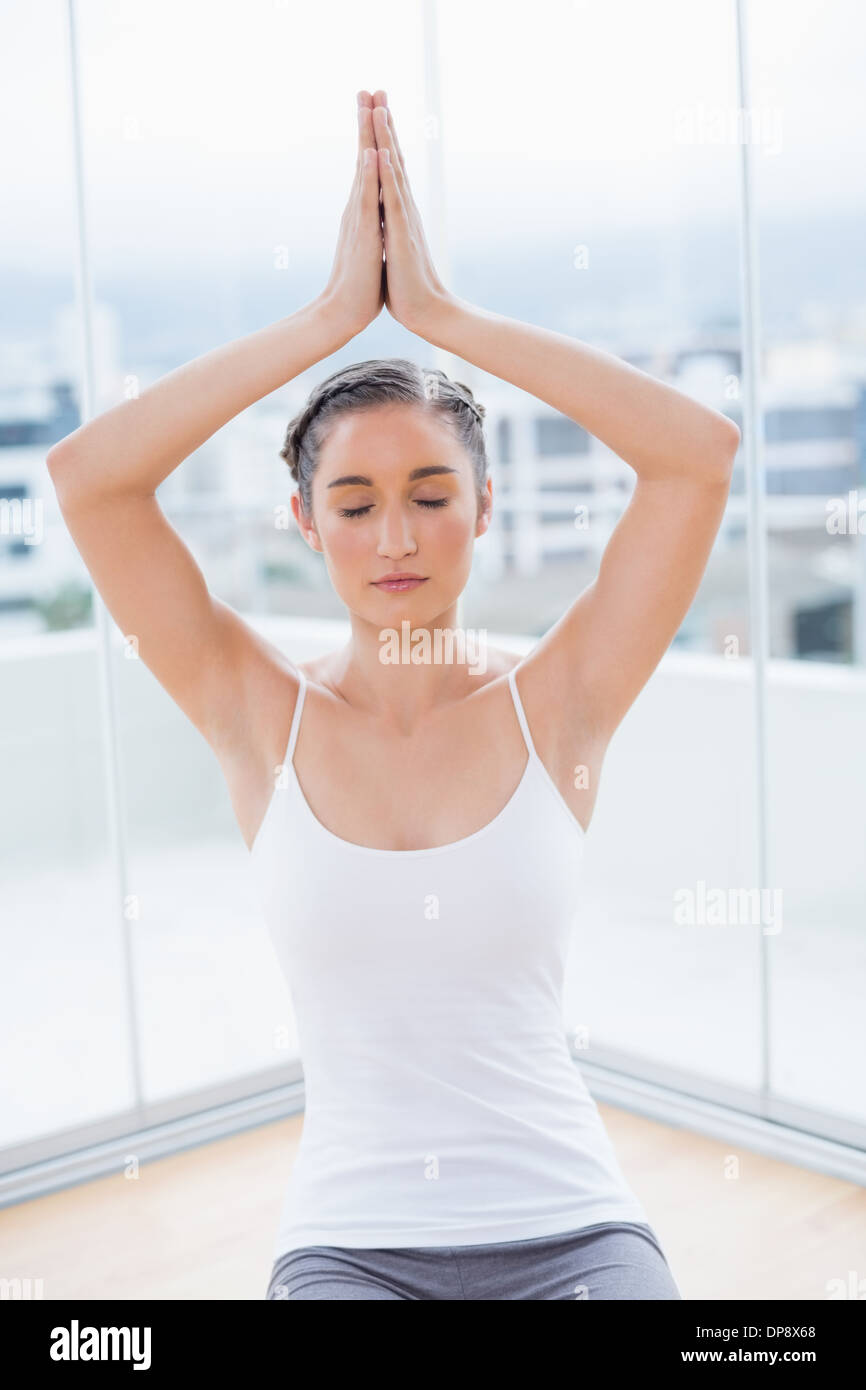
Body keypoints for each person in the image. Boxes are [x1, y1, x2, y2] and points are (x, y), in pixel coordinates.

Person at [47, 89, 740, 1300]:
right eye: (354, 503)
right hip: (352, 1246)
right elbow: (91, 482)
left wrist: (442, 317)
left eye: (431, 491)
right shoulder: (257, 713)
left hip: (574, 1226)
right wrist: (327, 319)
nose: (395, 535)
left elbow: (695, 454)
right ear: (306, 523)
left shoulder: (560, 700)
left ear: (487, 506)